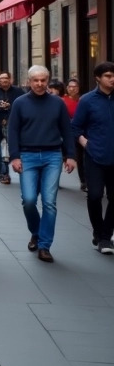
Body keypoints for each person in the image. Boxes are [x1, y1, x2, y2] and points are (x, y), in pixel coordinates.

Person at [7, 66, 76, 263]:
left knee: (49, 202)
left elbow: (66, 129)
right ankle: (36, 232)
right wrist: (15, 156)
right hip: (27, 156)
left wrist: (70, 155)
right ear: (29, 81)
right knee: (28, 200)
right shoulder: (20, 103)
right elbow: (12, 131)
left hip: (52, 156)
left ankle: (45, 245)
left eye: (43, 80)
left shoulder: (57, 103)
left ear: (48, 81)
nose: (39, 84)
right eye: (35, 80)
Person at [71, 62, 114, 255]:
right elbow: (75, 127)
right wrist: (86, 143)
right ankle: (98, 231)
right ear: (98, 78)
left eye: (113, 75)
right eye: (108, 76)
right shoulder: (87, 100)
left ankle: (106, 237)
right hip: (95, 156)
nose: (112, 79)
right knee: (95, 195)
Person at [0, 71, 25, 185]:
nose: (4, 81)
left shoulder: (19, 93)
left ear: (10, 79)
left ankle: (9, 170)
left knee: (10, 153)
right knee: (1, 154)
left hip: (14, 130)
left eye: (6, 78)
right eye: (1, 79)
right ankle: (3, 173)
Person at [64, 78, 84, 190]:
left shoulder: (83, 100)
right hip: (69, 131)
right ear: (67, 88)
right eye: (70, 86)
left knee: (83, 157)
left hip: (83, 132)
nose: (72, 89)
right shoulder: (63, 101)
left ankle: (84, 180)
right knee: (77, 156)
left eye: (75, 86)